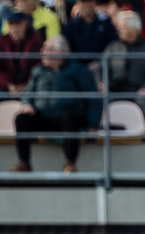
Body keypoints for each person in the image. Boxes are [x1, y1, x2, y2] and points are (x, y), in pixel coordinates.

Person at [10, 36, 94, 174]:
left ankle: (70, 164)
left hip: (67, 117)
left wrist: (93, 124)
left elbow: (93, 97)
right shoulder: (38, 71)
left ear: (60, 52)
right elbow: (28, 93)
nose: (42, 52)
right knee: (22, 119)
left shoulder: (78, 70)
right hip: (43, 116)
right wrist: (26, 104)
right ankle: (24, 163)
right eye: (43, 49)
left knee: (72, 119)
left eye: (47, 49)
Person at [0, 10, 43, 116]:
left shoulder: (36, 41)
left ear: (26, 24)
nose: (14, 28)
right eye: (11, 24)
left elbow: (40, 68)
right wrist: (8, 85)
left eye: (18, 24)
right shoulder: (1, 41)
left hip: (30, 89)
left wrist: (27, 85)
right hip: (8, 88)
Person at [101, 9, 145, 102]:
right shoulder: (112, 47)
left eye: (123, 27)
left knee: (143, 99)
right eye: (119, 27)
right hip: (115, 90)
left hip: (140, 90)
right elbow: (101, 67)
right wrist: (102, 83)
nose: (119, 30)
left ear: (135, 29)